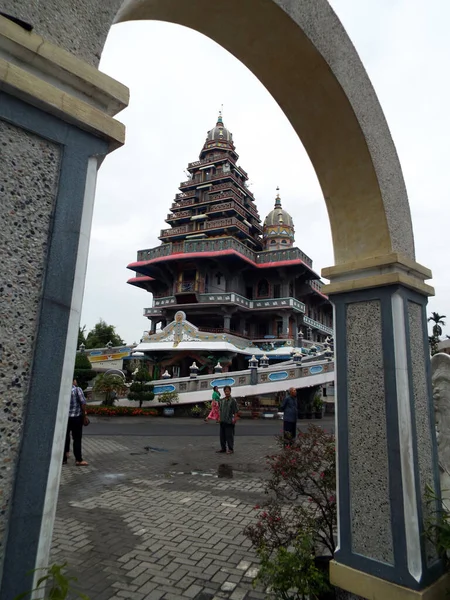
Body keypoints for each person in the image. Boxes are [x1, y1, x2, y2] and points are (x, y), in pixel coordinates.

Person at [64, 378, 89, 466]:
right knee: (77, 439)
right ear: (73, 381)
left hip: (65, 418)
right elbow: (83, 403)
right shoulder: (77, 389)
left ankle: (63, 458)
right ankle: (78, 460)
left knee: (64, 437)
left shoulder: (62, 389)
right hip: (76, 418)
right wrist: (85, 416)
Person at [216, 385, 239, 454]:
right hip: (222, 420)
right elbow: (220, 410)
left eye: (228, 391)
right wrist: (219, 417)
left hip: (229, 421)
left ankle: (231, 449)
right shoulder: (222, 400)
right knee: (222, 436)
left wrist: (235, 419)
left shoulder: (233, 401)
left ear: (230, 391)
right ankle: (223, 448)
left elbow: (236, 411)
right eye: (225, 391)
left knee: (229, 436)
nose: (227, 393)